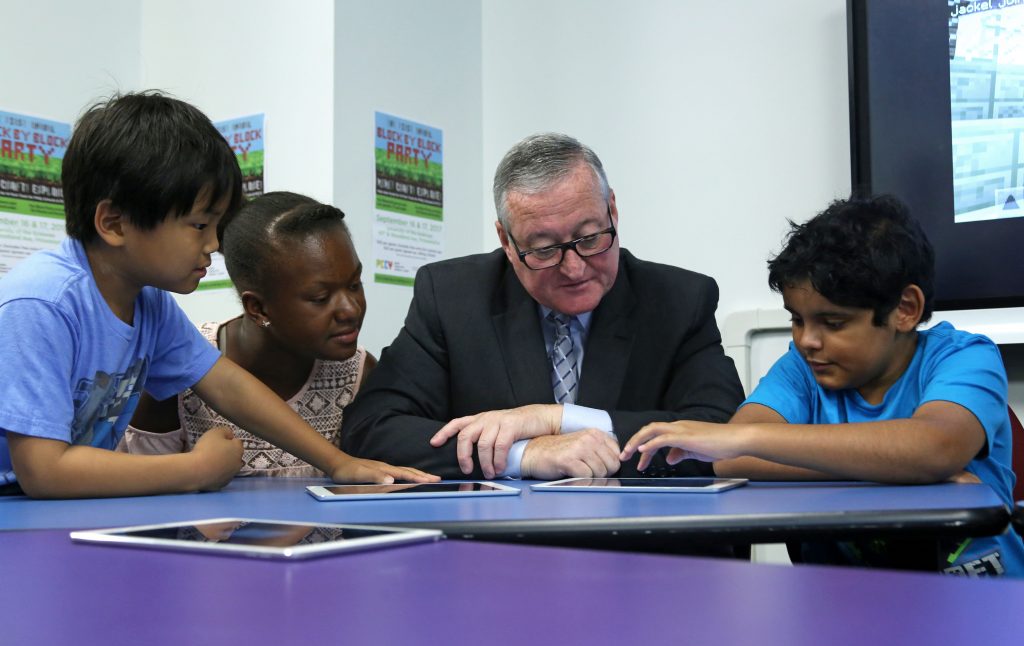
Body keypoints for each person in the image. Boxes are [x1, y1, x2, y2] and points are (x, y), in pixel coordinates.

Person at [0, 91, 436, 498]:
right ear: (114, 223)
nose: (213, 245)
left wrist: (337, 462)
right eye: (198, 225)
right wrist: (197, 469)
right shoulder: (41, 304)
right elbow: (44, 471)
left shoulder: (149, 304)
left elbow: (226, 384)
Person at [622, 194, 1024, 576]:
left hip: (988, 613)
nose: (806, 341)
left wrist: (920, 462)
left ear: (905, 310)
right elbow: (735, 454)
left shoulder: (965, 358)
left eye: (833, 324)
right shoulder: (802, 369)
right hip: (848, 614)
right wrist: (902, 469)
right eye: (797, 319)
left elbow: (934, 447)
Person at [341, 132, 743, 480]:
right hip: (498, 548)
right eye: (545, 249)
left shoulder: (678, 300)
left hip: (638, 544)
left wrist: (560, 420)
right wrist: (522, 454)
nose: (573, 268)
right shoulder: (452, 297)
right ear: (506, 240)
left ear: (613, 211)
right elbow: (373, 427)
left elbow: (725, 431)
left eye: (589, 238)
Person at [119, 191, 375, 478]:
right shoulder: (179, 372)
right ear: (258, 308)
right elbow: (148, 504)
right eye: (320, 297)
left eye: (354, 285)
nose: (350, 310)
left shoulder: (358, 374)